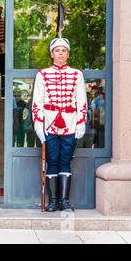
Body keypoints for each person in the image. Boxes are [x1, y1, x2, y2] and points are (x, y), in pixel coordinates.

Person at [32, 37, 87, 212]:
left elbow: (82, 102)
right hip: (49, 125)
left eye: (63, 50)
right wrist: (38, 126)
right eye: (57, 50)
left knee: (65, 161)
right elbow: (37, 102)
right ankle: (52, 201)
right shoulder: (42, 74)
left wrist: (80, 124)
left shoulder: (77, 74)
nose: (60, 53)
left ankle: (64, 201)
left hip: (70, 125)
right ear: (51, 54)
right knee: (52, 161)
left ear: (68, 54)